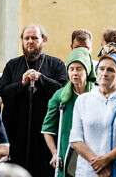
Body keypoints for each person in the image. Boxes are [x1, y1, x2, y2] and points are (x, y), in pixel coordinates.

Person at [0, 24, 67, 176]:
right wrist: (21, 85)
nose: (30, 41)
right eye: (26, 38)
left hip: (45, 136)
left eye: (34, 38)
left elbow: (64, 92)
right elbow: (1, 92)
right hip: (16, 134)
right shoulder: (12, 65)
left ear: (44, 40)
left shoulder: (57, 65)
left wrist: (41, 79)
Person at [70, 53, 116, 177]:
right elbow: (75, 138)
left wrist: (107, 159)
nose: (104, 73)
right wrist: (97, 164)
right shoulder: (84, 100)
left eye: (110, 70)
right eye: (101, 68)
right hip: (86, 171)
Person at [41, 47, 96, 177]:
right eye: (71, 69)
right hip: (67, 154)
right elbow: (47, 129)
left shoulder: (96, 94)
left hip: (92, 153)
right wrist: (55, 153)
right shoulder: (60, 96)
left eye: (79, 69)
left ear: (87, 71)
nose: (75, 73)